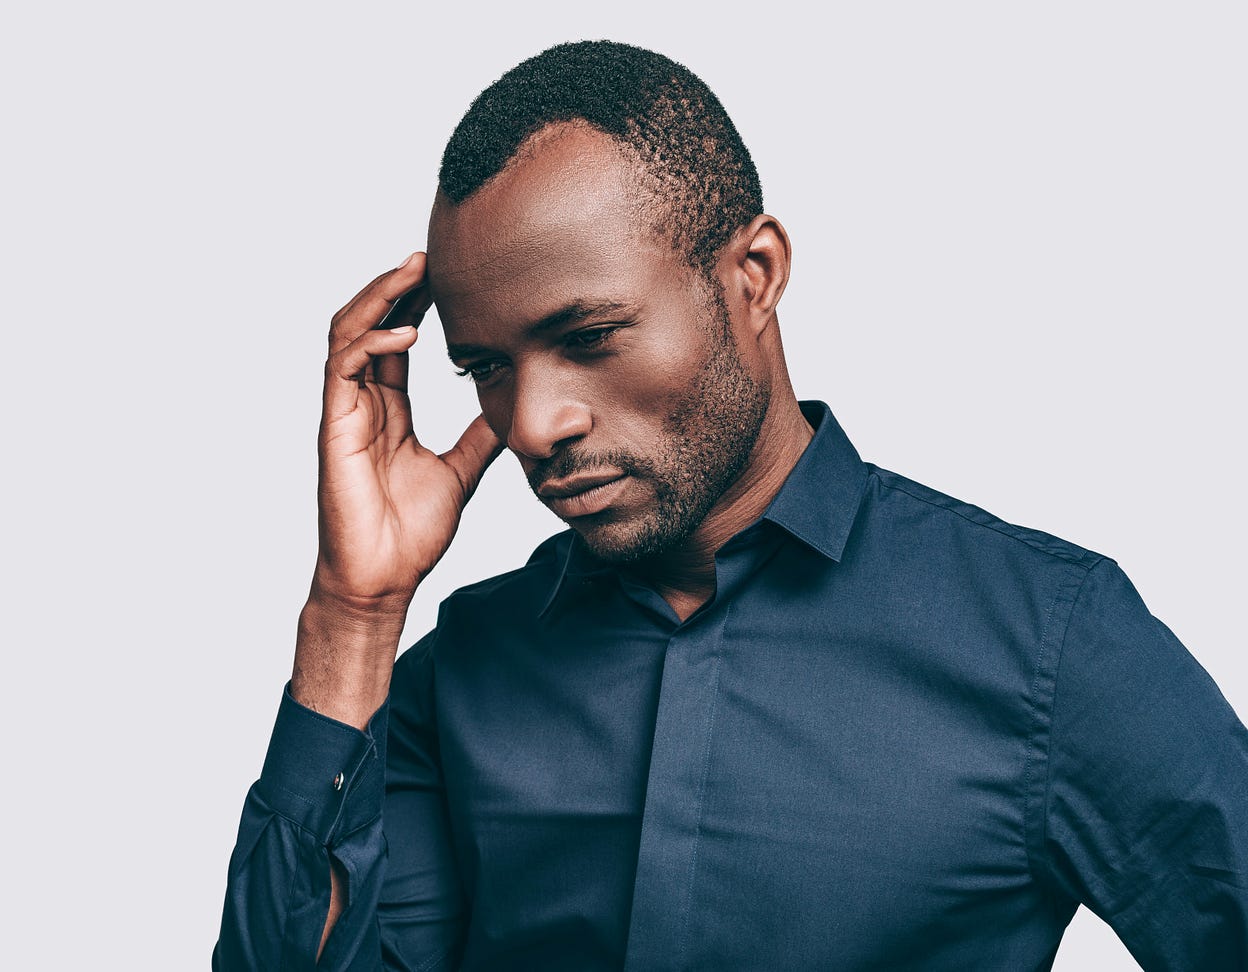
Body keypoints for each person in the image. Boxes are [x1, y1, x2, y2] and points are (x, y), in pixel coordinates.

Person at [213, 41, 1247, 971]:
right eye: (485, 367)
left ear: (752, 276)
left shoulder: (1049, 641)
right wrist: (352, 613)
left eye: (587, 336)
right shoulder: (465, 668)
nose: (533, 424)